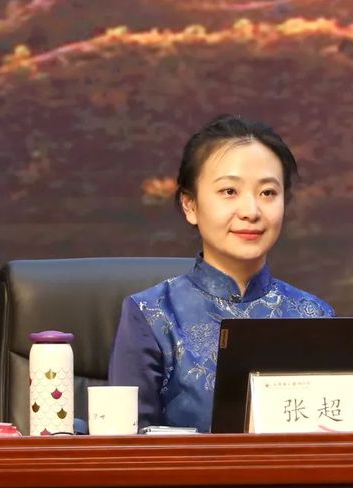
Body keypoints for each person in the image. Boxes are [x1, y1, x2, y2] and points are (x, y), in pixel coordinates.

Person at [108, 114, 334, 433]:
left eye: (268, 193)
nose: (251, 211)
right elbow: (125, 446)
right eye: (229, 191)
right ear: (190, 205)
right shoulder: (150, 315)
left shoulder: (314, 316)